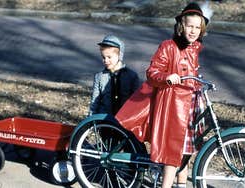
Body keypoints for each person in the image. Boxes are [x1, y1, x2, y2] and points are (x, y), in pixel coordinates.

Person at [116, 2, 209, 187]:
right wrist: (167, 77)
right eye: (190, 26)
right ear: (182, 26)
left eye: (197, 27)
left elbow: (191, 74)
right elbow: (152, 72)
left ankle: (181, 184)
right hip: (173, 106)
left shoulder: (194, 48)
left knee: (188, 150)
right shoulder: (169, 46)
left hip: (190, 105)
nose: (193, 31)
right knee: (173, 152)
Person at [89, 34, 140, 116]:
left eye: (109, 57)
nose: (105, 60)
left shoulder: (131, 76)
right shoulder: (99, 77)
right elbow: (95, 102)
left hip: (124, 120)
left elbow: (136, 102)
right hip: (104, 121)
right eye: (103, 57)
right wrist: (90, 122)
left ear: (119, 55)